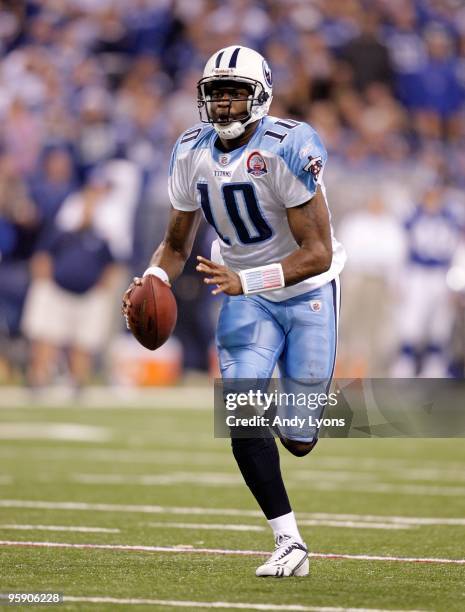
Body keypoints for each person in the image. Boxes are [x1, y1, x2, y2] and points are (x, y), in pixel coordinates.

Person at [122, 46, 346, 577]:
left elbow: (319, 252)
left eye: (236, 93)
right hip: (243, 293)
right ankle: (288, 541)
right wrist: (153, 277)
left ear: (260, 96)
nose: (223, 104)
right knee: (242, 414)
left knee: (298, 438)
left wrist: (249, 279)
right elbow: (175, 245)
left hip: (306, 289)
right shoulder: (191, 150)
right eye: (216, 93)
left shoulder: (288, 145)